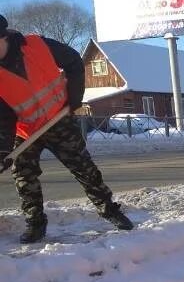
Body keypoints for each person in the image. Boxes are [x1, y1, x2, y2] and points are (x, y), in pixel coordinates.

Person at [0, 14, 133, 243]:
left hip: (58, 119)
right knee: (23, 175)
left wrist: (74, 99)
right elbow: (4, 119)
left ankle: (110, 210)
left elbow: (73, 61)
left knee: (83, 167)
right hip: (27, 130)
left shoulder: (38, 45)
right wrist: (2, 152)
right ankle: (35, 224)